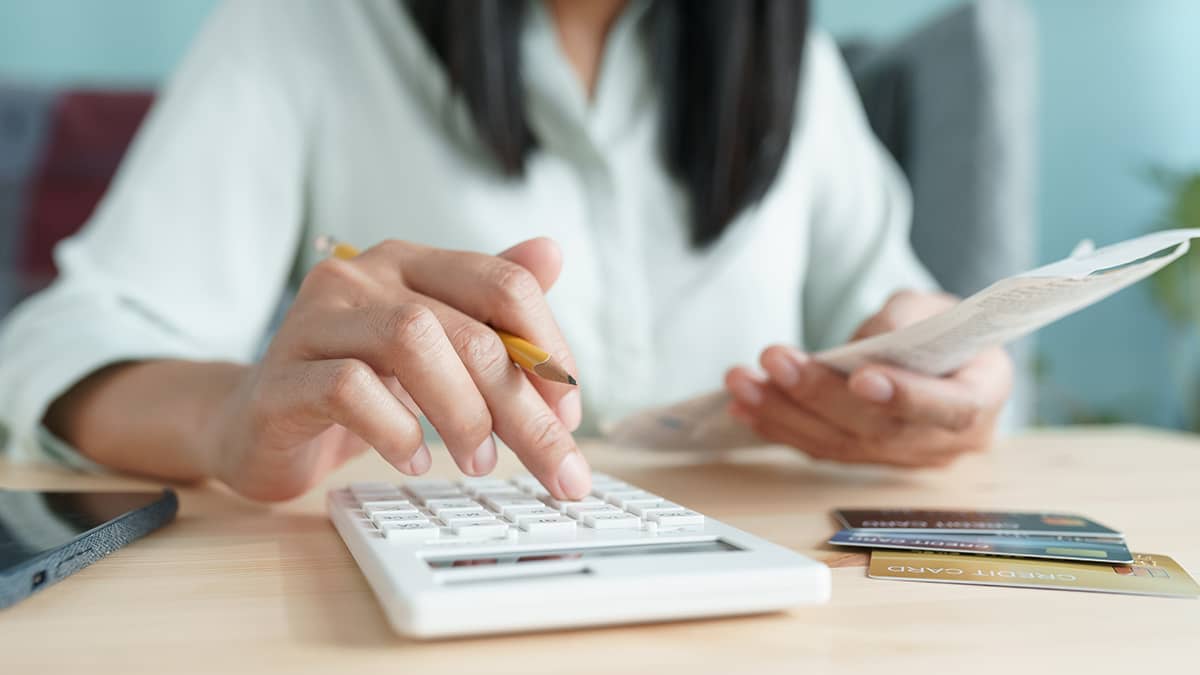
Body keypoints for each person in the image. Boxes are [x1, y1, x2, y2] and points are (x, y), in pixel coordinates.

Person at [0, 0, 1013, 502]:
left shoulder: (788, 50)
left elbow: (901, 314)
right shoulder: (308, 24)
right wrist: (232, 419)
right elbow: (59, 343)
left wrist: (943, 368)